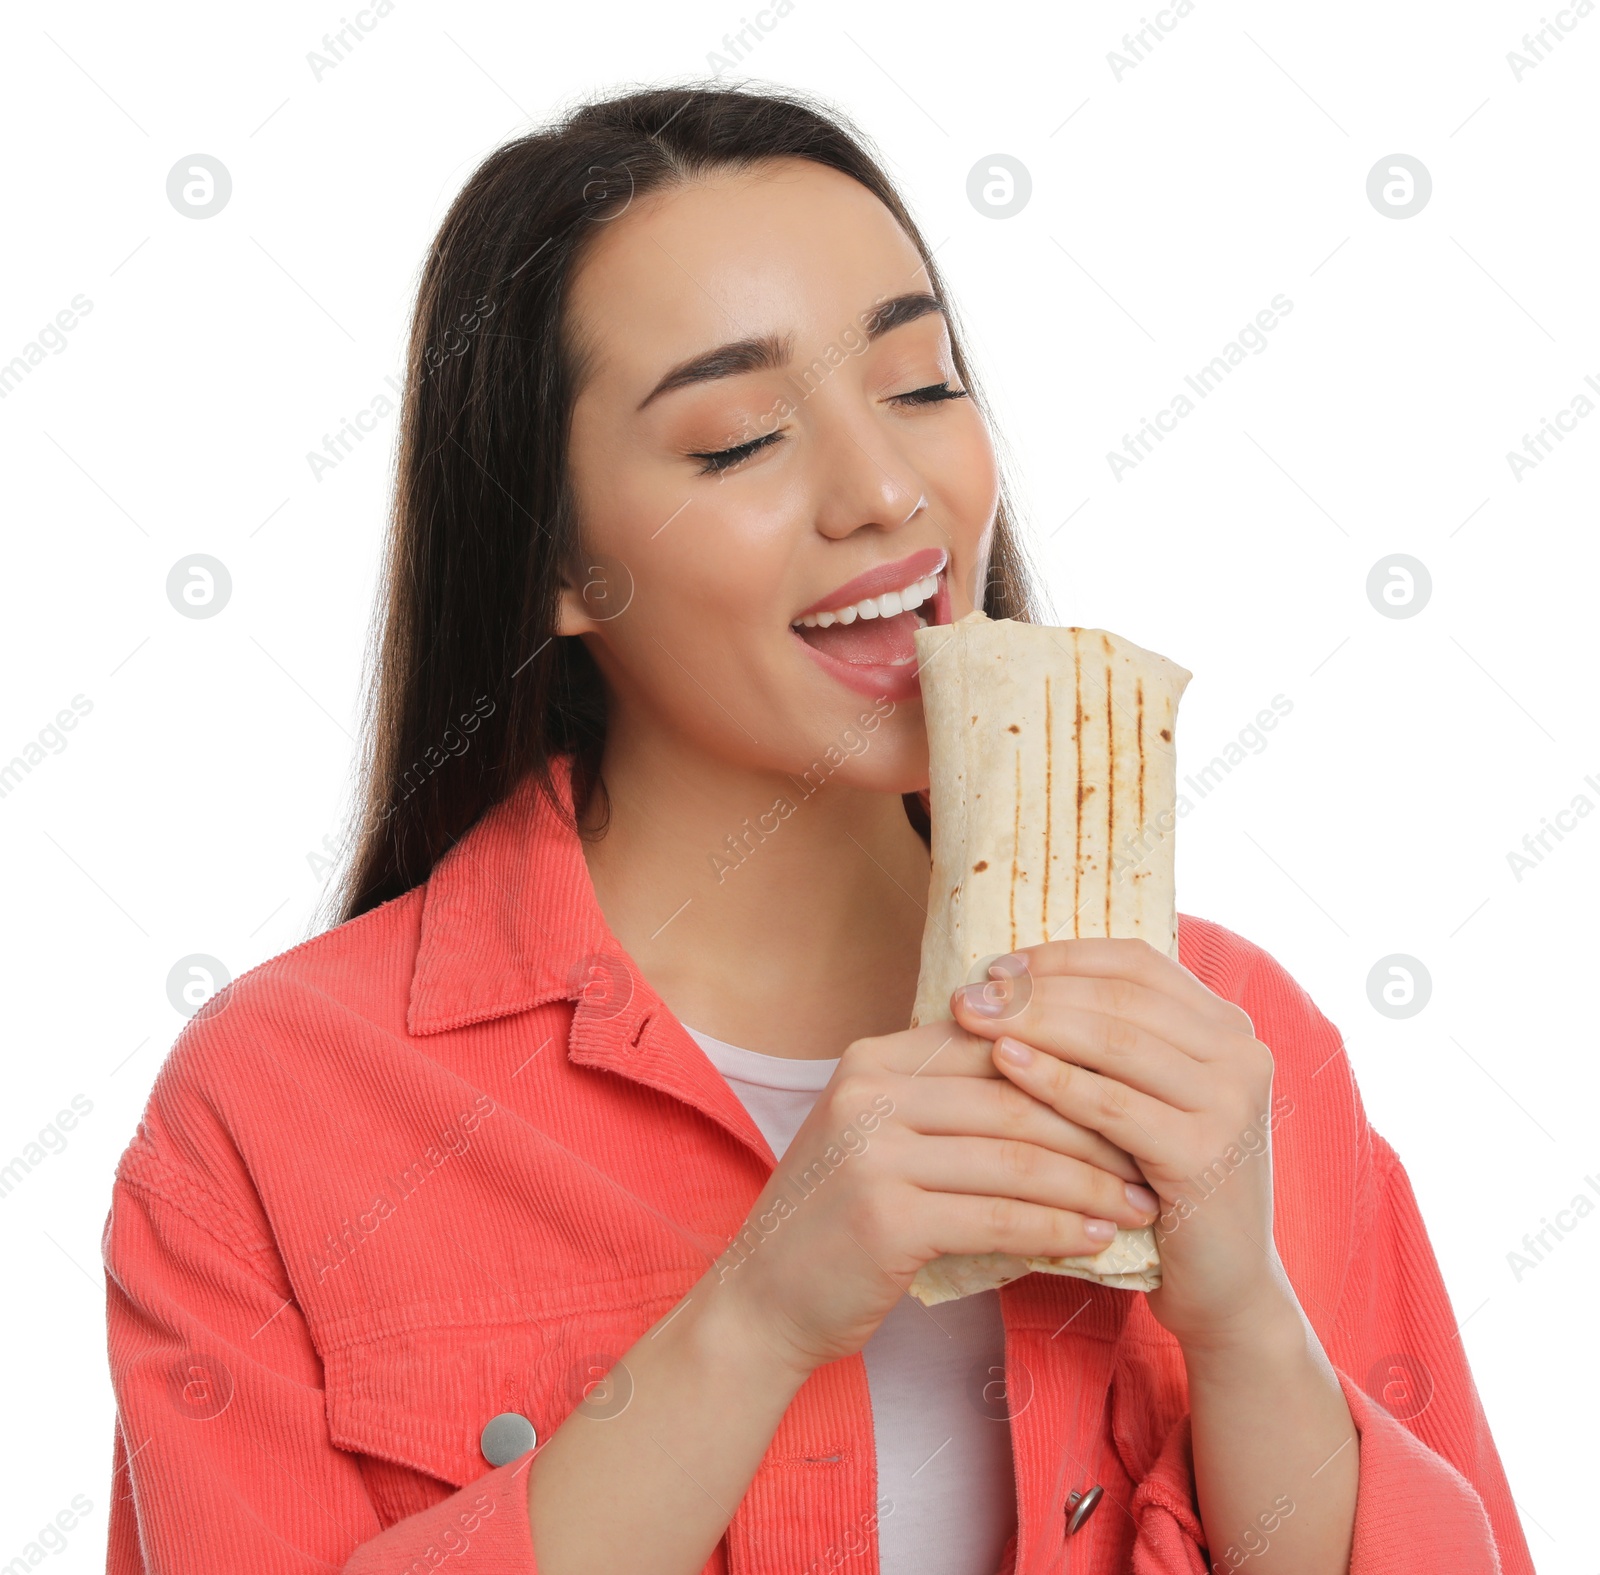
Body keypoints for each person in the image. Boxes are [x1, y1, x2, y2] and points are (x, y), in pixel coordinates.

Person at [102, 83, 1532, 1575]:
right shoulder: (276, 1113)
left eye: (921, 387)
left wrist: (1244, 1326)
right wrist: (761, 1311)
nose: (888, 492)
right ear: (555, 563)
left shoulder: (1227, 1040)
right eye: (738, 440)